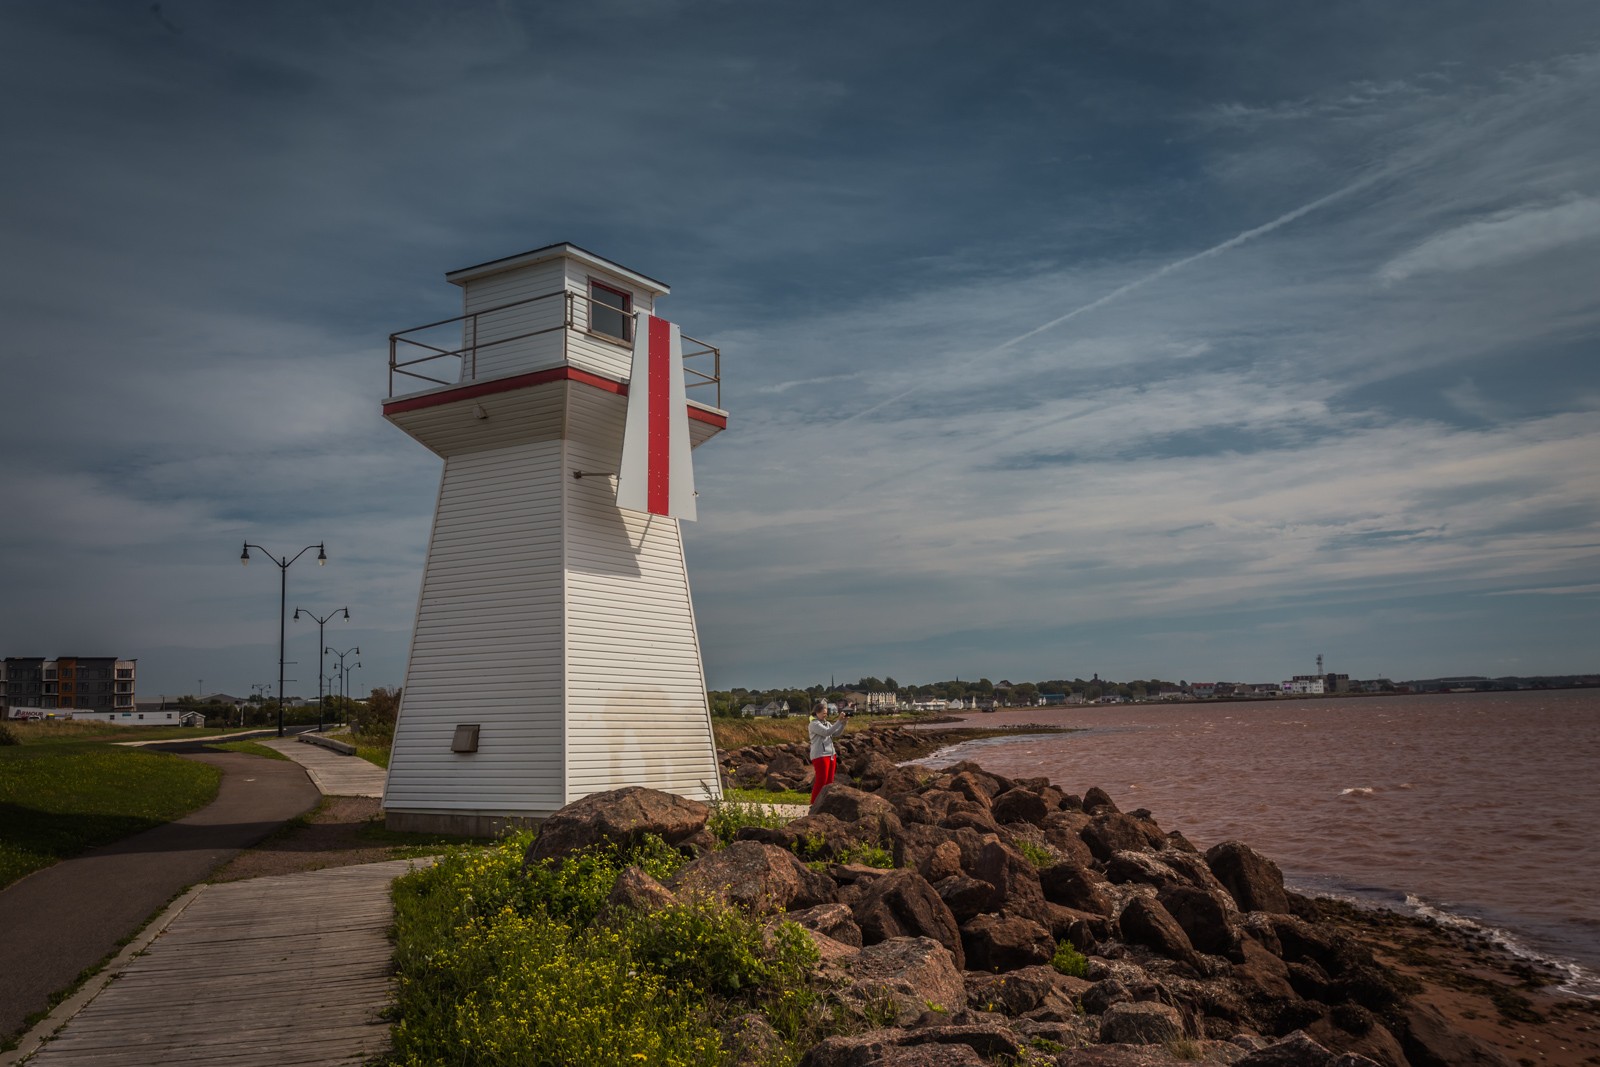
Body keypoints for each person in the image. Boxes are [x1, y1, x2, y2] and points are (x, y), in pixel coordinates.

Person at [808, 702, 847, 807]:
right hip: (820, 755)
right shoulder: (814, 724)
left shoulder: (826, 723)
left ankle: (825, 803)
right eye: (823, 713)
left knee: (829, 781)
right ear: (817, 713)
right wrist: (838, 720)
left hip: (830, 754)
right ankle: (814, 803)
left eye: (826, 713)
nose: (825, 715)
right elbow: (827, 732)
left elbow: (835, 733)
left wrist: (843, 723)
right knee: (821, 780)